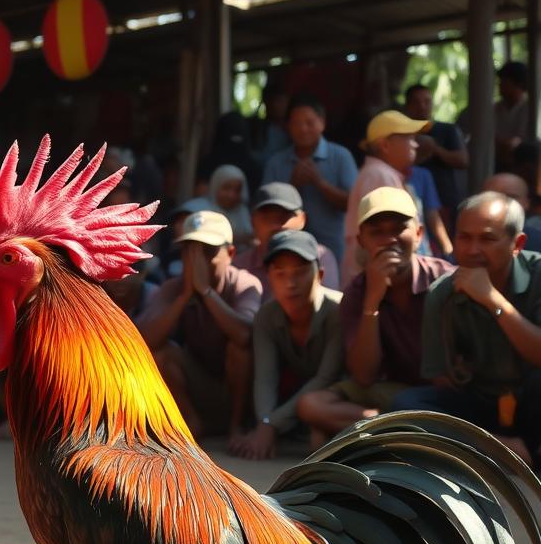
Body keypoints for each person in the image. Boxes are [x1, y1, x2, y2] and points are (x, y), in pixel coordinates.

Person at [391, 192, 540, 466]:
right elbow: (439, 375)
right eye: (464, 237)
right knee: (407, 405)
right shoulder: (442, 294)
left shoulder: (538, 275)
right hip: (482, 407)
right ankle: (501, 448)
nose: (472, 250)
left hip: (533, 401)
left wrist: (492, 300)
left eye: (486, 239)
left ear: (517, 244)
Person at [297, 187, 454, 447]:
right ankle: (396, 428)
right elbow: (364, 376)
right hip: (390, 392)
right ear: (361, 241)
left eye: (398, 229)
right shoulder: (357, 293)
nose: (389, 239)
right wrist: (373, 300)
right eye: (377, 232)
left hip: (441, 396)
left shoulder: (445, 281)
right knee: (311, 406)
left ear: (418, 234)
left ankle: (377, 431)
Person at [137, 210, 262, 439]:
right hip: (200, 386)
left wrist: (206, 292)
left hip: (237, 390)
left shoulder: (244, 283)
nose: (197, 261)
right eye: (190, 251)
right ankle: (191, 422)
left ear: (231, 253)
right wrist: (185, 297)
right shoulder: (174, 288)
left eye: (208, 251)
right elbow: (146, 343)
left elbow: (244, 335)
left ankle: (237, 426)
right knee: (160, 354)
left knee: (239, 351)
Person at [230, 231, 343, 460]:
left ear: (319, 275)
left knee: (319, 443)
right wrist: (264, 422)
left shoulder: (338, 311)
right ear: (269, 278)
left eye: (300, 272)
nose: (290, 284)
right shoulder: (266, 316)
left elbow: (327, 377)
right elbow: (265, 377)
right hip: (294, 399)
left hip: (337, 396)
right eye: (280, 274)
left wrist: (272, 424)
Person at [261, 94, 358, 264]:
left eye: (309, 122)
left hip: (335, 248)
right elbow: (264, 213)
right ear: (287, 127)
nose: (303, 129)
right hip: (287, 250)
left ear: (322, 123)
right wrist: (292, 188)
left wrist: (320, 183)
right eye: (296, 123)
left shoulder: (341, 156)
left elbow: (354, 203)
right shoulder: (275, 163)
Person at [342, 110, 429, 281]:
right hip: (379, 279)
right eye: (409, 138)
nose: (415, 145)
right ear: (385, 145)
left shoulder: (380, 173)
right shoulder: (379, 175)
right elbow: (385, 241)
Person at [233, 182, 340, 297]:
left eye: (283, 217)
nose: (276, 226)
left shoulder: (320, 257)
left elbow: (327, 307)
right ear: (253, 222)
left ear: (302, 220)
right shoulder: (239, 266)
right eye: (267, 218)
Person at [404, 83, 468, 229]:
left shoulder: (447, 130)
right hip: (412, 198)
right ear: (407, 106)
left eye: (426, 101)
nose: (422, 106)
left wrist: (435, 149)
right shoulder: (402, 134)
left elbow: (462, 161)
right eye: (416, 102)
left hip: (444, 199)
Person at [207, 164, 252, 245]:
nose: (232, 195)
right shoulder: (199, 210)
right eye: (226, 188)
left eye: (237, 190)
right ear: (215, 186)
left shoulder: (243, 212)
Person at [495, 62, 531, 163]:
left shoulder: (531, 109)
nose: (500, 85)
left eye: (504, 81)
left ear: (518, 84)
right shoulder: (495, 108)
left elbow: (517, 143)